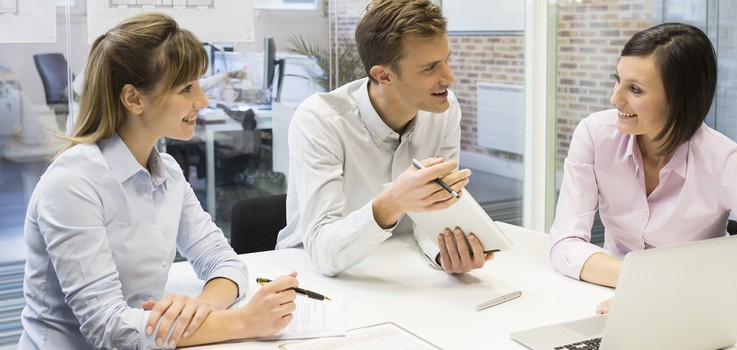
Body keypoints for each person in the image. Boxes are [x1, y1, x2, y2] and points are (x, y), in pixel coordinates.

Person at [19, 13, 299, 349]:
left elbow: (223, 261)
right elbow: (107, 327)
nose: (203, 100)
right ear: (134, 99)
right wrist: (240, 321)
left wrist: (201, 310)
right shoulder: (72, 184)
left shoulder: (166, 171)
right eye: (186, 88)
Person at [550, 22, 737, 315]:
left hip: (693, 314)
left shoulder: (721, 162)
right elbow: (565, 243)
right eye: (616, 80)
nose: (615, 98)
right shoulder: (595, 134)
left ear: (680, 99)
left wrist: (680, 296)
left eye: (634, 89)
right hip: (610, 297)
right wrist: (645, 285)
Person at [276, 0, 493, 276]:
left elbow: (434, 217)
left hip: (400, 268)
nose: (449, 77)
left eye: (446, 60)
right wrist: (393, 201)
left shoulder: (444, 111)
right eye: (429, 68)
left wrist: (445, 253)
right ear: (383, 75)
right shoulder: (320, 121)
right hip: (312, 277)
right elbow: (322, 250)